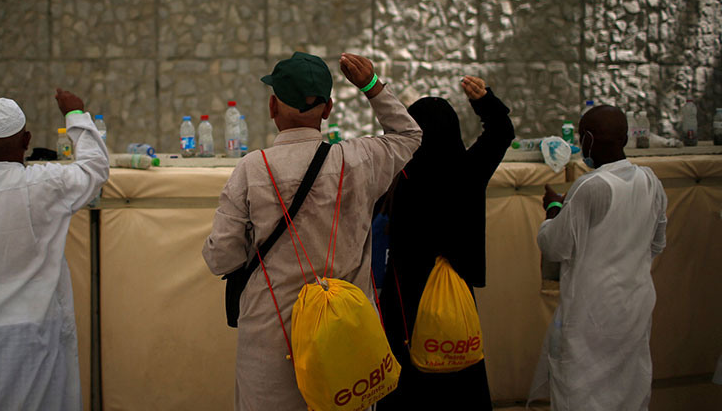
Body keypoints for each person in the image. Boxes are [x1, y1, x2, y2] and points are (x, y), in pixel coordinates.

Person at [202, 51, 422, 410]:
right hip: (347, 337)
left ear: (273, 106)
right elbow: (409, 134)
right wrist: (370, 85)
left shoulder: (251, 170)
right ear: (328, 109)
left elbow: (222, 257)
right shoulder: (359, 159)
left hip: (273, 344)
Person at [0, 90, 109, 410]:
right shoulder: (45, 184)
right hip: (33, 339)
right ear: (27, 139)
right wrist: (75, 115)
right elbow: (95, 168)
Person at [376, 77, 515, 410]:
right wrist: (485, 102)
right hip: (455, 293)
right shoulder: (468, 170)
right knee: (459, 378)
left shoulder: (399, 176)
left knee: (406, 385)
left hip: (405, 300)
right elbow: (501, 133)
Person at [529, 105, 667, 410]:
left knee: (581, 390)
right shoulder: (651, 182)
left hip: (591, 312)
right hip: (635, 305)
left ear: (588, 139)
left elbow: (555, 245)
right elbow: (657, 244)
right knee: (629, 389)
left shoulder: (591, 186)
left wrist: (553, 209)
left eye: (581, 137)